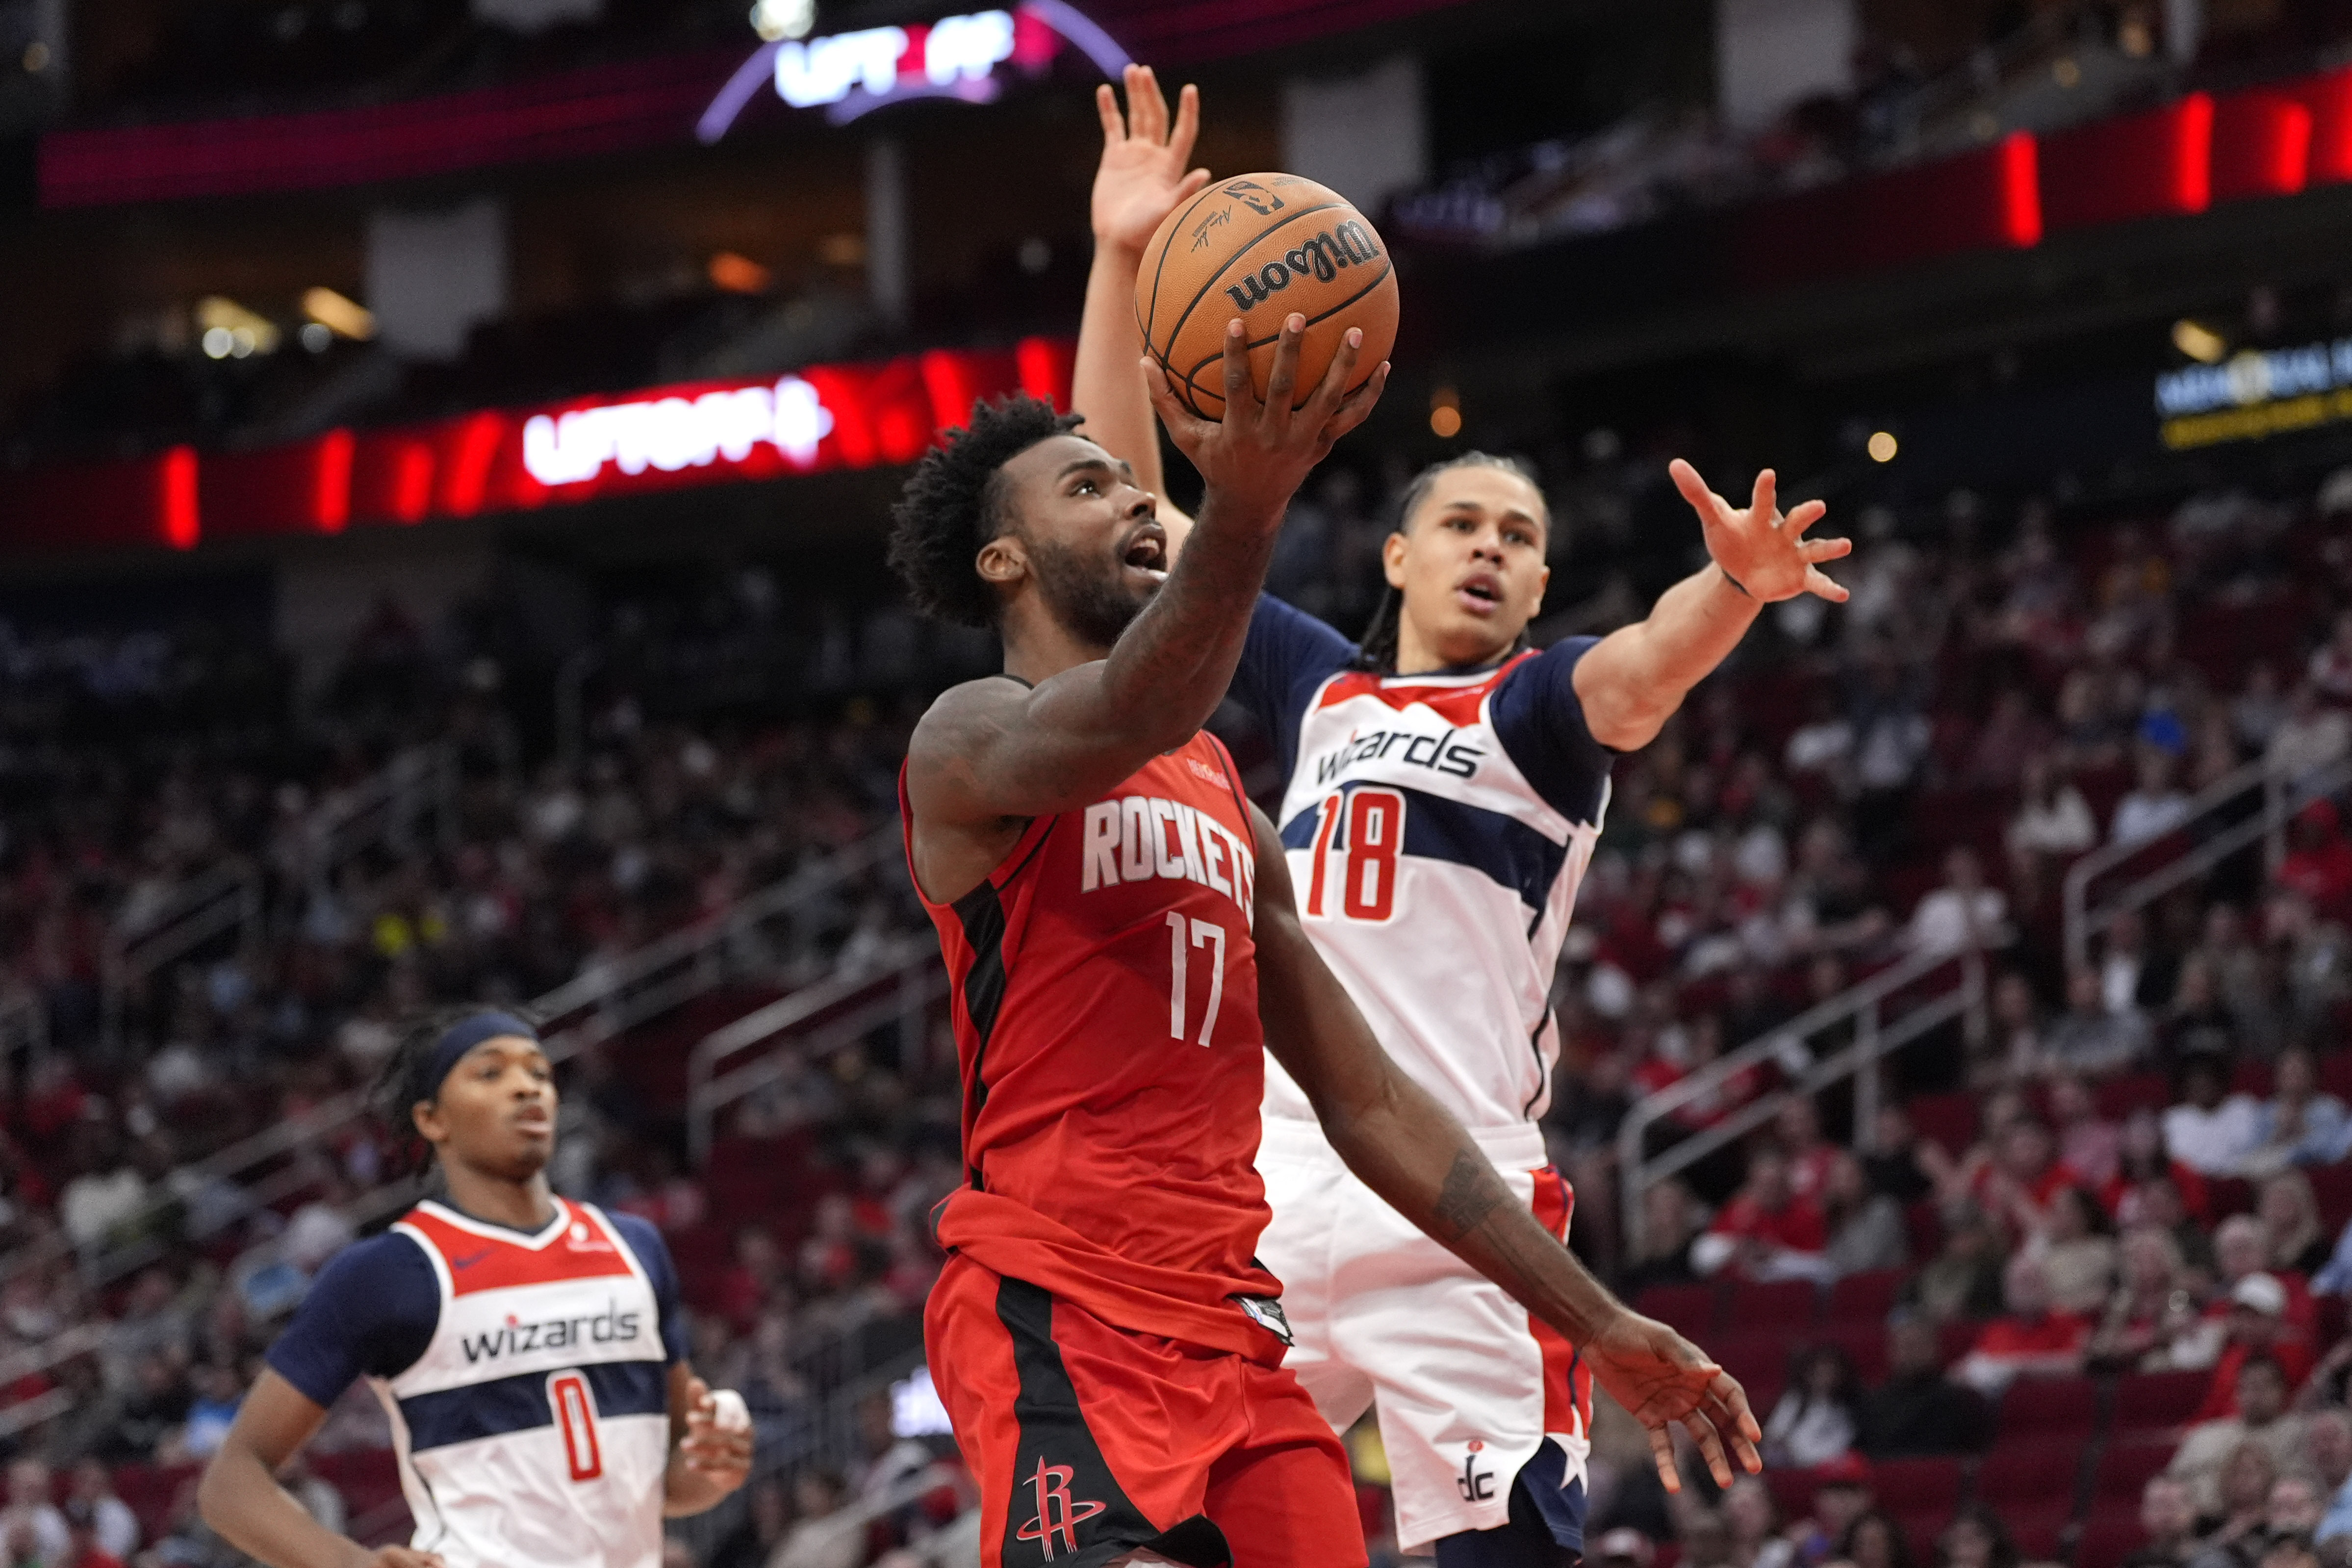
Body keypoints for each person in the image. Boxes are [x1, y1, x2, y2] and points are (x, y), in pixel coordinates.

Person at [890, 176, 1757, 1568]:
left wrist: (1597, 1317)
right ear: (1004, 555)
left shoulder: (1234, 799)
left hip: (1236, 1316)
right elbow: (1128, 703)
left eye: (1133, 483)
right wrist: (1233, 487)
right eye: (1088, 485)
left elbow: (1365, 1094)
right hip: (1060, 1300)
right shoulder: (967, 740)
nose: (1128, 498)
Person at [197, 1007, 753, 1568]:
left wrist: (717, 1466)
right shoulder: (388, 1271)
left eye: (539, 1072)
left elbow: (670, 1481)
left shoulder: (635, 1246)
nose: (525, 1087)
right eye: (491, 1073)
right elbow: (231, 1483)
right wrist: (352, 1563)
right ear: (433, 1120)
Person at [2167, 1357, 2306, 1515]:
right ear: (2237, 1392)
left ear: (2282, 1390)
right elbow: (2171, 1484)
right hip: (2205, 1523)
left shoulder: (2300, 1433)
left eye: (2263, 1386)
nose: (2256, 1394)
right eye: (2248, 1386)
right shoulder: (2204, 1436)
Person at [1854, 1310, 1988, 1457]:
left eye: (1918, 1344)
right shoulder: (1873, 1403)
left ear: (1935, 1348)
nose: (1911, 1353)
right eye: (1905, 1345)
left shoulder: (1957, 1400)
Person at [1762, 1345, 1860, 1469]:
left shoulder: (1844, 1412)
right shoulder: (1794, 1400)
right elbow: (1772, 1435)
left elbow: (1835, 1451)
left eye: (1829, 1373)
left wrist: (1795, 1452)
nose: (1824, 1378)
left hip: (1818, 1470)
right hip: (1783, 1467)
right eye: (1820, 1373)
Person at [2124, 1477, 2200, 1568]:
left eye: (2173, 1507)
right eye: (2157, 1507)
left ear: (2196, 1510)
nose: (2166, 1516)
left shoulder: (2212, 1560)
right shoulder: (2134, 1562)